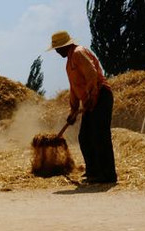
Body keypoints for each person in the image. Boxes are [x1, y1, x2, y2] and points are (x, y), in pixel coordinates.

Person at [49, 31, 117, 184]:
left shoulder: (79, 53)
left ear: (64, 46)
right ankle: (93, 171)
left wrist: (92, 98)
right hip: (90, 99)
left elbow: (92, 75)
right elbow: (74, 87)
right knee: (85, 137)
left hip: (101, 95)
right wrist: (73, 110)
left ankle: (108, 175)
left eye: (57, 48)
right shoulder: (69, 61)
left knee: (100, 136)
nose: (56, 51)